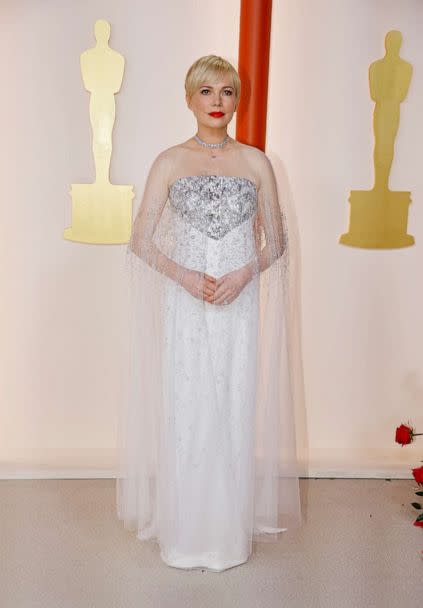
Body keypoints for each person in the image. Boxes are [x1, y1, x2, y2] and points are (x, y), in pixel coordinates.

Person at [116, 54, 302, 572]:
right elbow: (140, 240)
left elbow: (277, 240)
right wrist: (186, 277)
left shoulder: (256, 162)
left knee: (233, 405)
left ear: (237, 99)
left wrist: (245, 273)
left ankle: (225, 536)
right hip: (187, 304)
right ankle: (186, 534)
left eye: (226, 92)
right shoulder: (170, 162)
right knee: (190, 407)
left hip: (237, 306)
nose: (217, 102)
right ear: (189, 98)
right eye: (206, 92)